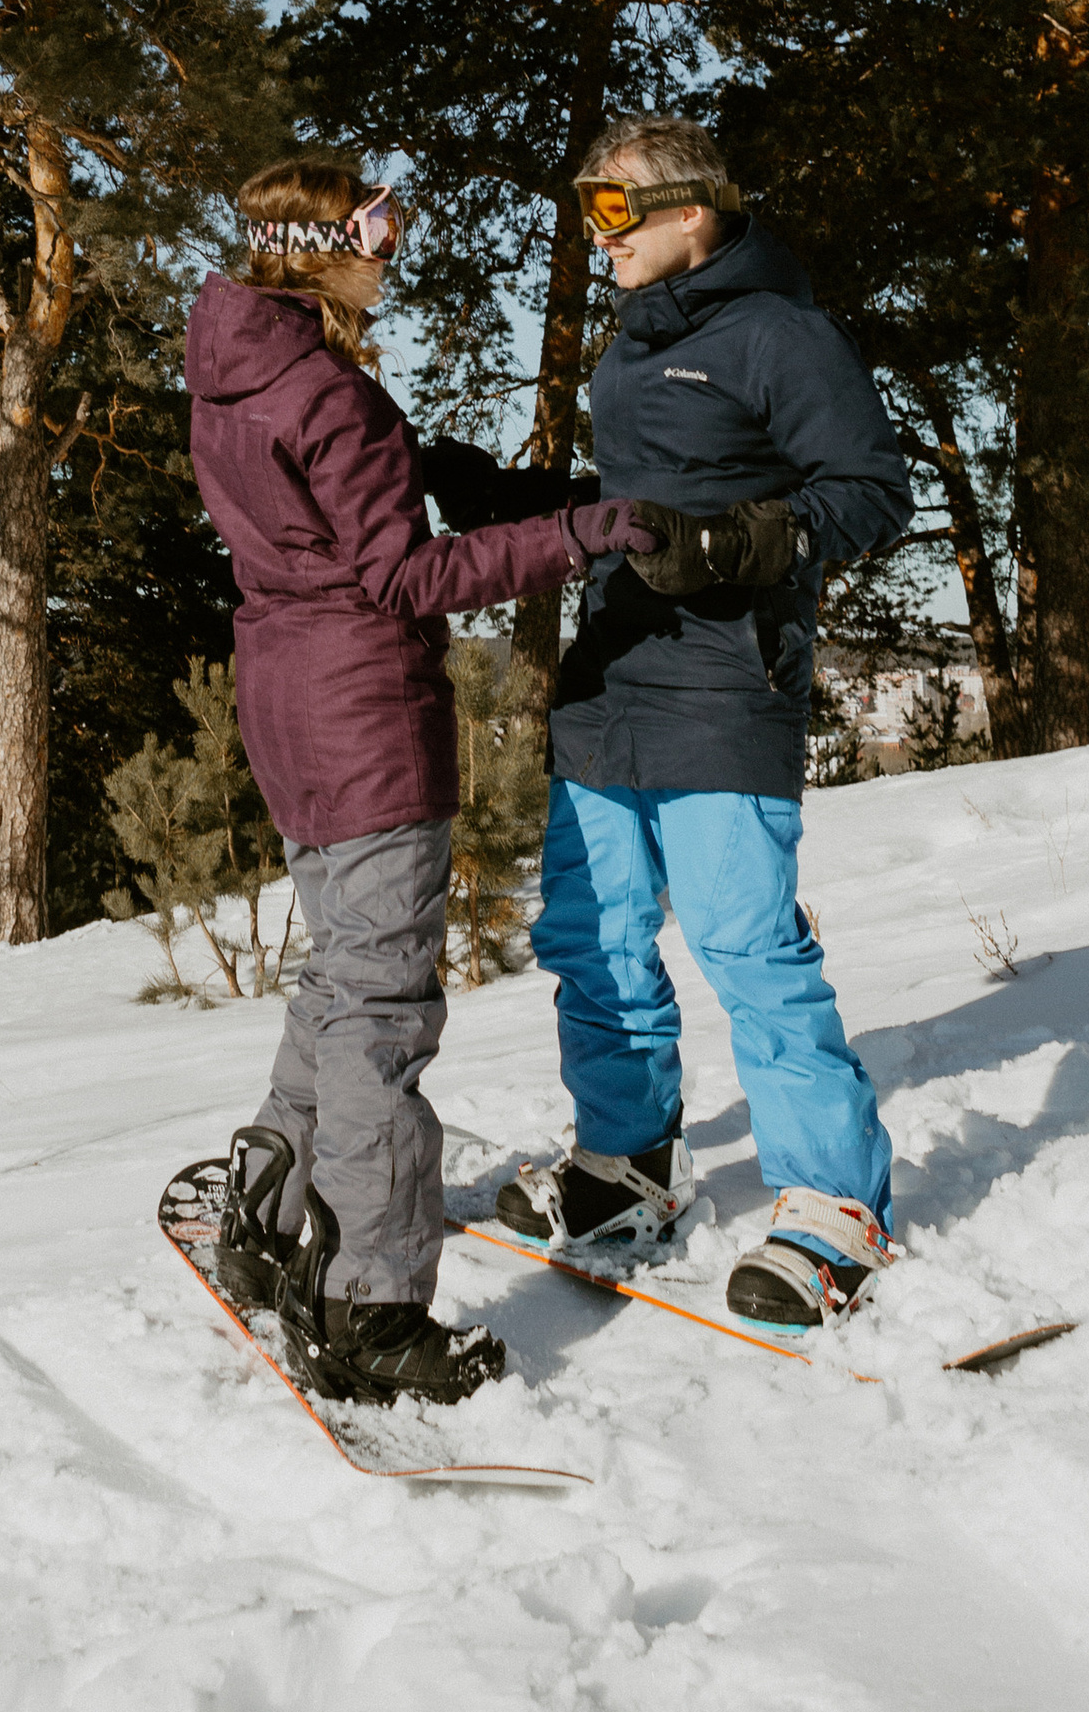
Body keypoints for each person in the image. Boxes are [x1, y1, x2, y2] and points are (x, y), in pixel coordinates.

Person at [183, 153, 654, 1406]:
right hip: (361, 712)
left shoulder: (231, 369)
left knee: (336, 975)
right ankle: (371, 1306)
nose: (391, 249)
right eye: (376, 229)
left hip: (285, 698)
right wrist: (577, 534)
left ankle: (273, 1211)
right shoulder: (327, 392)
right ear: (315, 242)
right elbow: (404, 578)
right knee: (381, 1012)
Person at [454, 111, 915, 1328]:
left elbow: (870, 493)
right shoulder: (631, 345)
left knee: (744, 946)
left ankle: (832, 1202)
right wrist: (499, 498)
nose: (593, 235)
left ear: (689, 211)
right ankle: (628, 1169)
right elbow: (631, 502)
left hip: (724, 683)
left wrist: (739, 543)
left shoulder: (781, 334)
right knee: (591, 938)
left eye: (611, 211)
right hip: (610, 680)